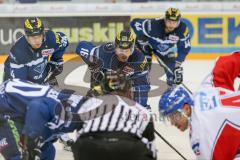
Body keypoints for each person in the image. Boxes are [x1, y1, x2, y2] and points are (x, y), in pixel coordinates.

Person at [158, 52, 240, 159]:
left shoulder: (198, 136)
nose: (172, 122)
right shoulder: (205, 89)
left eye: (173, 116)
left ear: (186, 108)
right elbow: (223, 64)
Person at [0, 78, 84, 160]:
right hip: (6, 107)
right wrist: (30, 140)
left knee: (46, 151)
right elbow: (37, 107)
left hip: (19, 104)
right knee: (20, 154)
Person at [75, 30, 150, 108]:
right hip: (106, 82)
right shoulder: (102, 53)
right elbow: (81, 46)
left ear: (132, 49)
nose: (123, 54)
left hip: (129, 84)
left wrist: (140, 107)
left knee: (139, 107)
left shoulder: (139, 59)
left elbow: (141, 85)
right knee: (90, 103)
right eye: (121, 50)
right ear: (115, 47)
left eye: (127, 50)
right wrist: (91, 63)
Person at [131, 7, 191, 86]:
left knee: (174, 75)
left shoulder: (183, 29)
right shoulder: (153, 24)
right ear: (165, 19)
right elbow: (134, 23)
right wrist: (142, 36)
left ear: (179, 21)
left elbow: (184, 48)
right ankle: (137, 86)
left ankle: (172, 91)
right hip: (145, 46)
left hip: (164, 49)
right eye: (169, 21)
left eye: (174, 22)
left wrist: (177, 64)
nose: (171, 25)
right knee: (143, 69)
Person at [3, 17, 69, 85]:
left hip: (39, 75)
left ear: (43, 33)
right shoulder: (19, 52)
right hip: (14, 78)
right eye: (33, 37)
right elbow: (20, 86)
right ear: (26, 36)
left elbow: (64, 40)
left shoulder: (50, 38)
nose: (37, 41)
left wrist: (56, 60)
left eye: (39, 36)